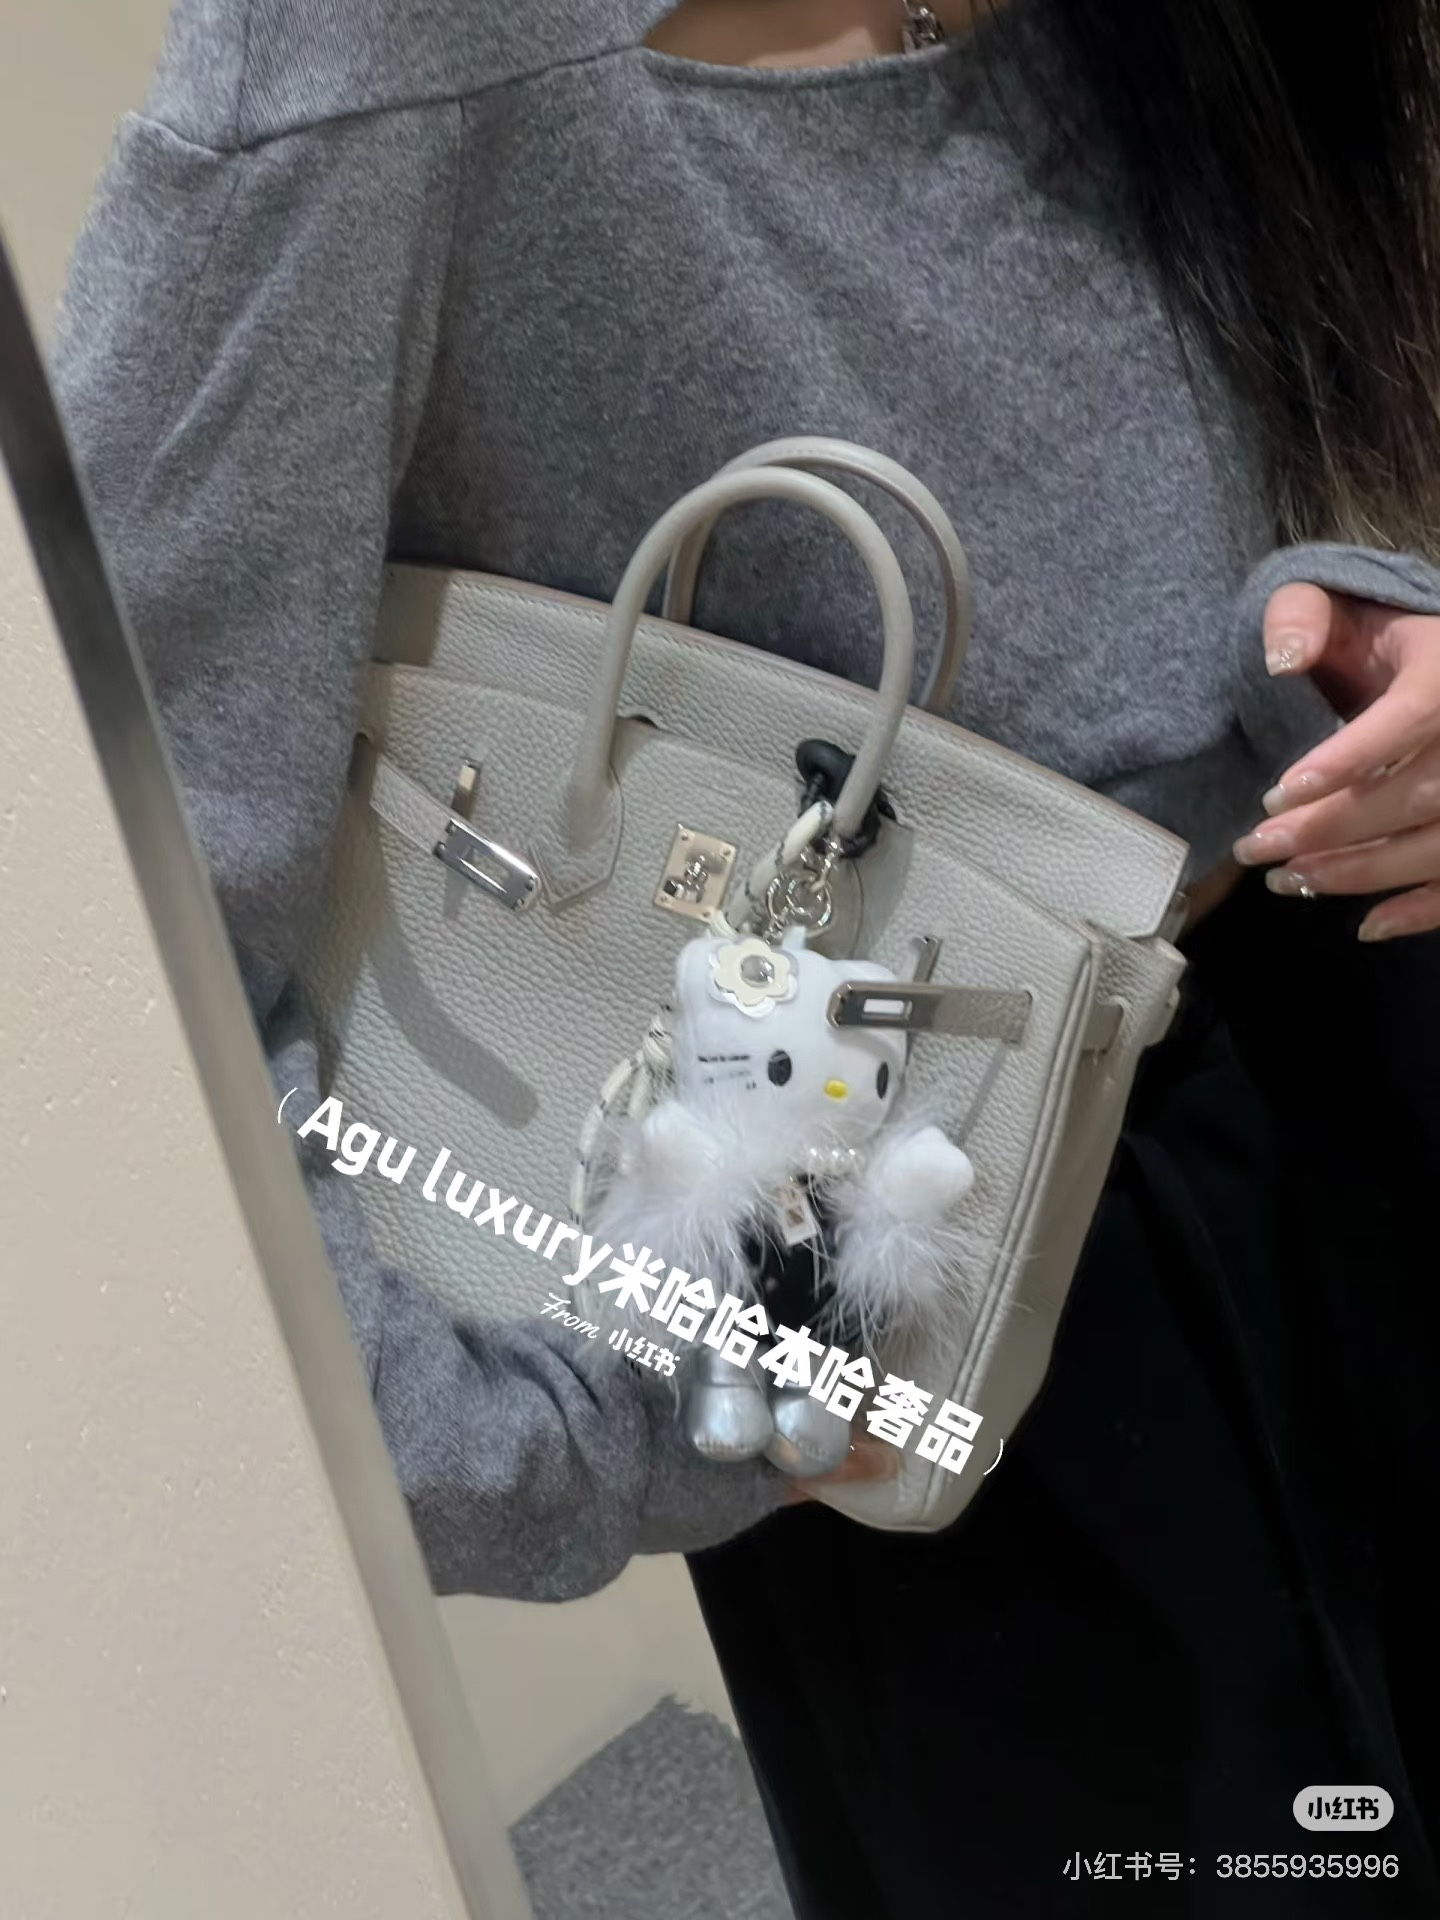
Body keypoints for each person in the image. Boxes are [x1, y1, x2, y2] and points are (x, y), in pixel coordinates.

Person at [52, 0, 1440, 1910]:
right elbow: (122, 947)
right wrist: (593, 1427)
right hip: (918, 1254)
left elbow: (1284, 407)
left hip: (1358, 1000)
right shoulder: (373, 54)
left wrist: (1383, 620)